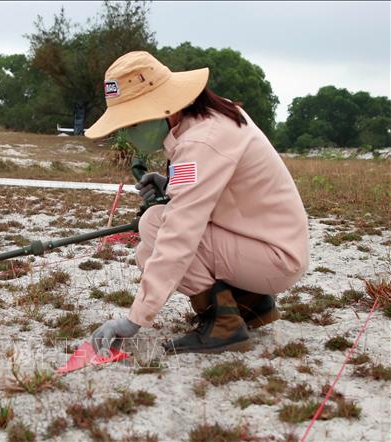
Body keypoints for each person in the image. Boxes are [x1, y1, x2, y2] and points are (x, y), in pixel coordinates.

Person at [87, 51, 310, 355]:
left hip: (275, 257)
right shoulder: (209, 120)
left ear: (160, 108)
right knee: (158, 219)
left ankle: (225, 325)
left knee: (155, 226)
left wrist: (135, 319)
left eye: (132, 121)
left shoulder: (200, 141)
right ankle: (248, 301)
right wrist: (171, 185)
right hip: (271, 245)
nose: (128, 132)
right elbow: (223, 188)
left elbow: (179, 233)